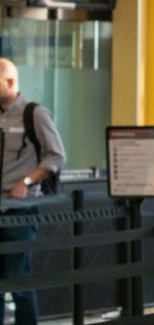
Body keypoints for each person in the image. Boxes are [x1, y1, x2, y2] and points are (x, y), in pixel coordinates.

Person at [0, 59, 66, 325]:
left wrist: (25, 182)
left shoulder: (34, 114)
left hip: (21, 212)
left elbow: (56, 155)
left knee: (19, 281)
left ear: (11, 82)